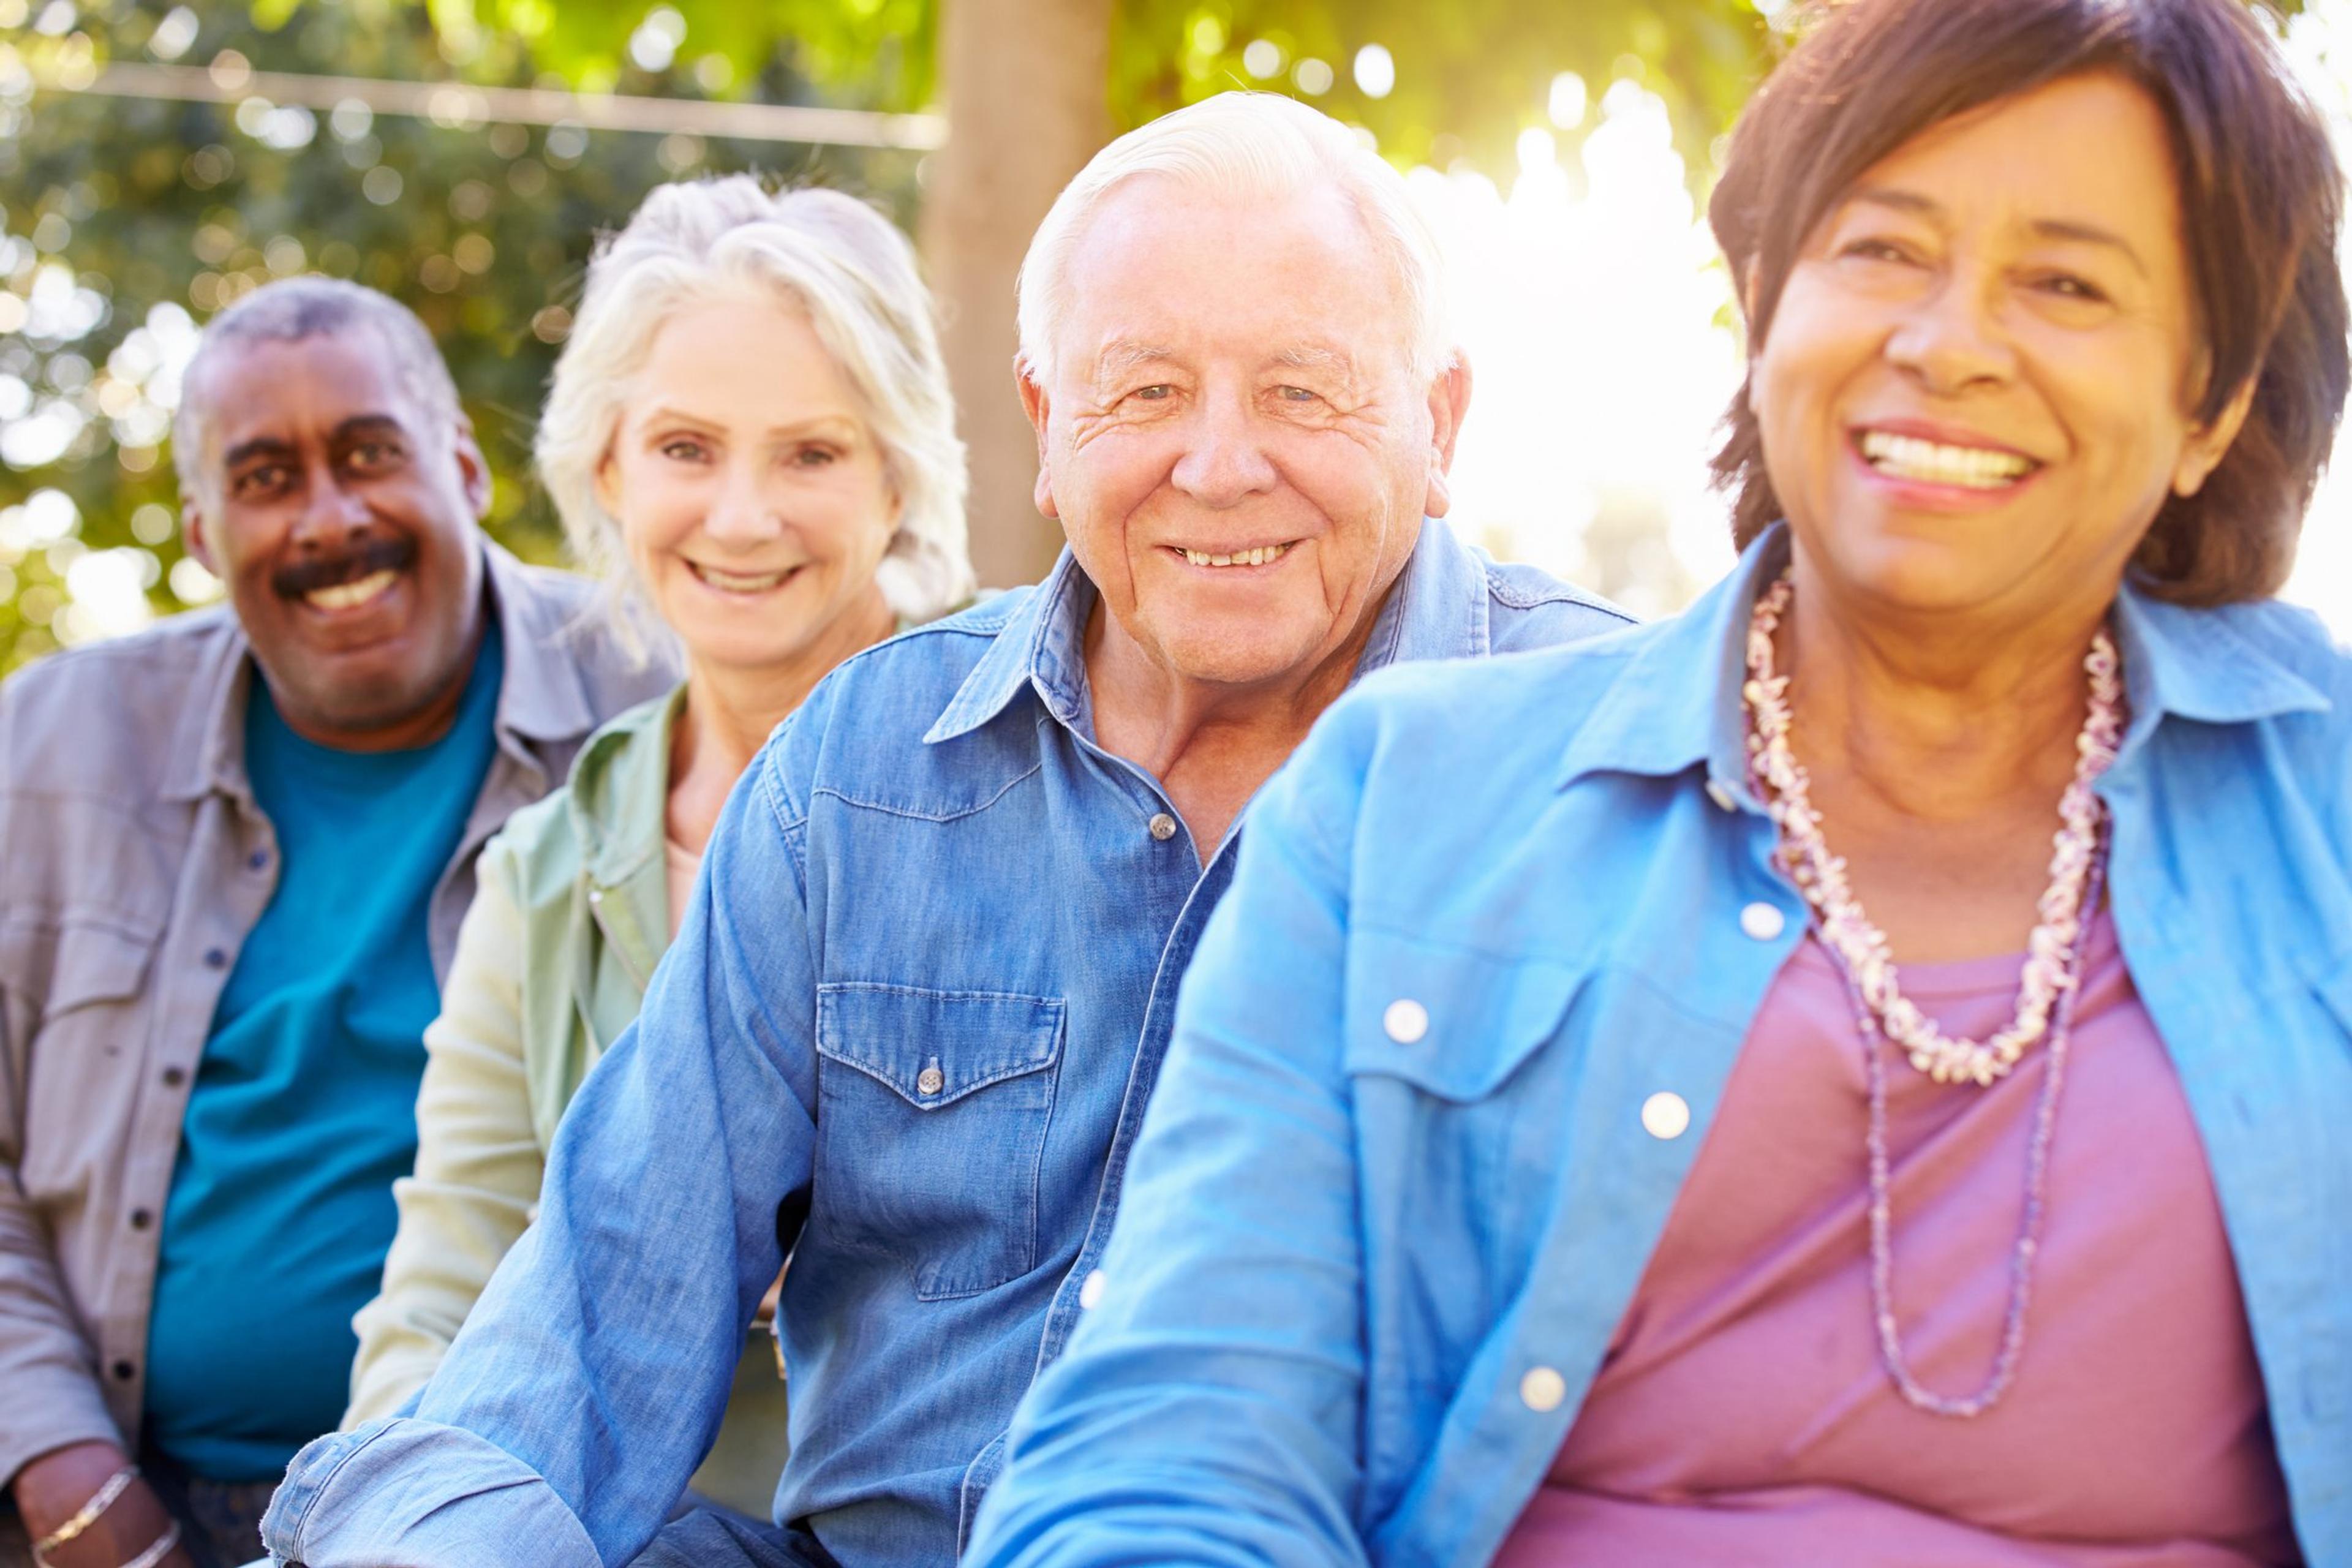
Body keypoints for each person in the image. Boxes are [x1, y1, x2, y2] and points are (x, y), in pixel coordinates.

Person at [968, 1, 2352, 1562]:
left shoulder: (2331, 821)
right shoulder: (1404, 806)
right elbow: (1166, 1465)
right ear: (1762, 305)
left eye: (2067, 281)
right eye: (1884, 250)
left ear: (2211, 404)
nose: (1950, 341)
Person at [256, 91, 1632, 1568]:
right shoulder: (860, 770)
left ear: (1438, 421)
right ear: (1047, 426)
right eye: (1147, 390)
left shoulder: (1612, 766)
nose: (1221, 464)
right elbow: (592, 1318)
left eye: (1304, 389)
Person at [0, 279, 672, 1568]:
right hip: (115, 1503)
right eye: (267, 477)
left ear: (464, 466)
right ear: (203, 529)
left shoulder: (655, 700)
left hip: (529, 1500)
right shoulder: (57, 747)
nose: (332, 518)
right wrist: (76, 1486)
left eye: (371, 453)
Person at [341, 176, 971, 1526]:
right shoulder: (548, 871)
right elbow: (444, 1288)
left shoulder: (1031, 786)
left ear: (899, 473)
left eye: (811, 452)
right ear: (608, 467)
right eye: (687, 447)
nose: (742, 517)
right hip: (608, 1536)